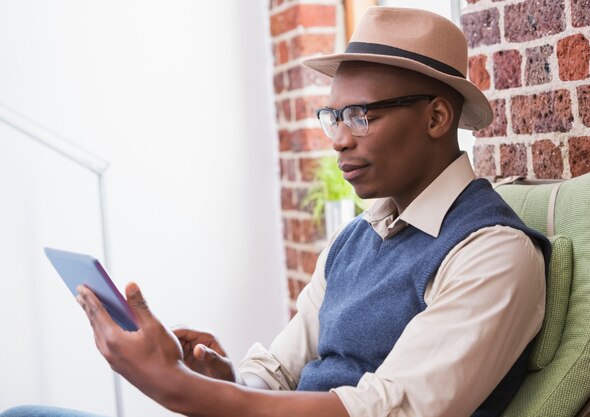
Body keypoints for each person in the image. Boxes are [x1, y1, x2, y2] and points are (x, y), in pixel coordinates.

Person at [1, 7, 550, 417]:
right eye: (332, 115)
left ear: (435, 118)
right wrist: (224, 377)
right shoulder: (356, 238)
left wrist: (178, 387)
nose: (337, 140)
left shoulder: (493, 252)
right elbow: (283, 367)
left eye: (359, 115)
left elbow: (387, 409)